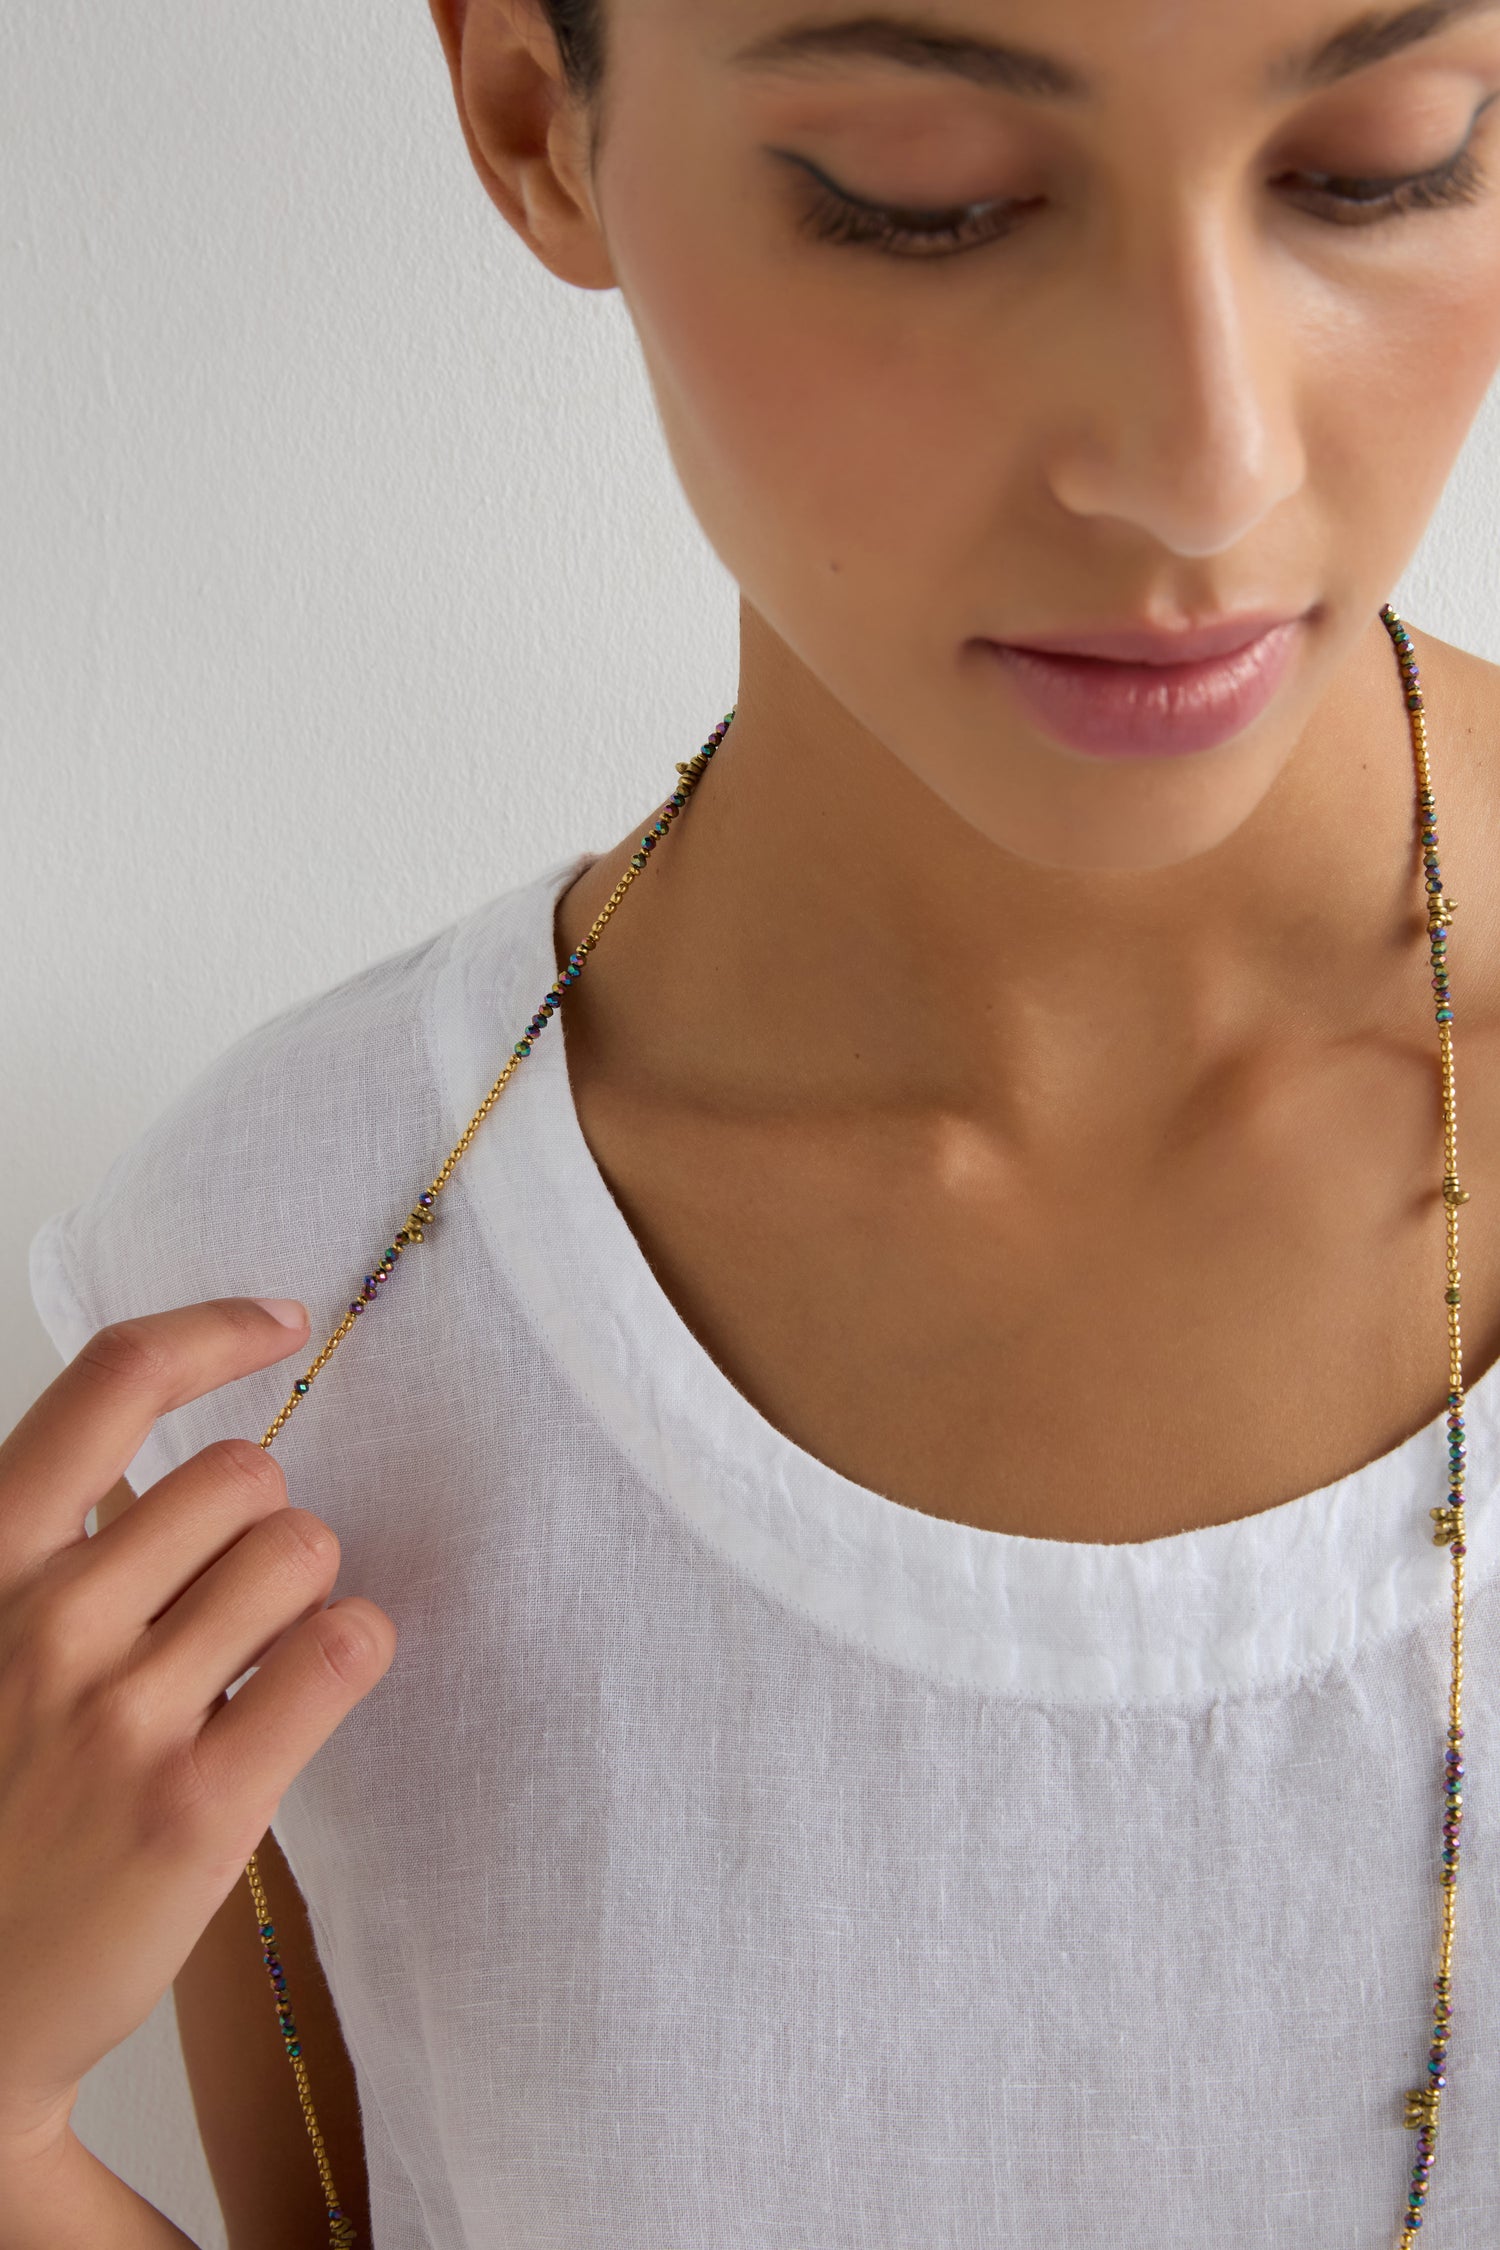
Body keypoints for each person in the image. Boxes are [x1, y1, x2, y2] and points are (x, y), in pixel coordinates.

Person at [5, 0, 1500, 2241]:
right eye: (930, 195)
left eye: (1379, 162)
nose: (1208, 465)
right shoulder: (301, 1291)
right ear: (537, 116)